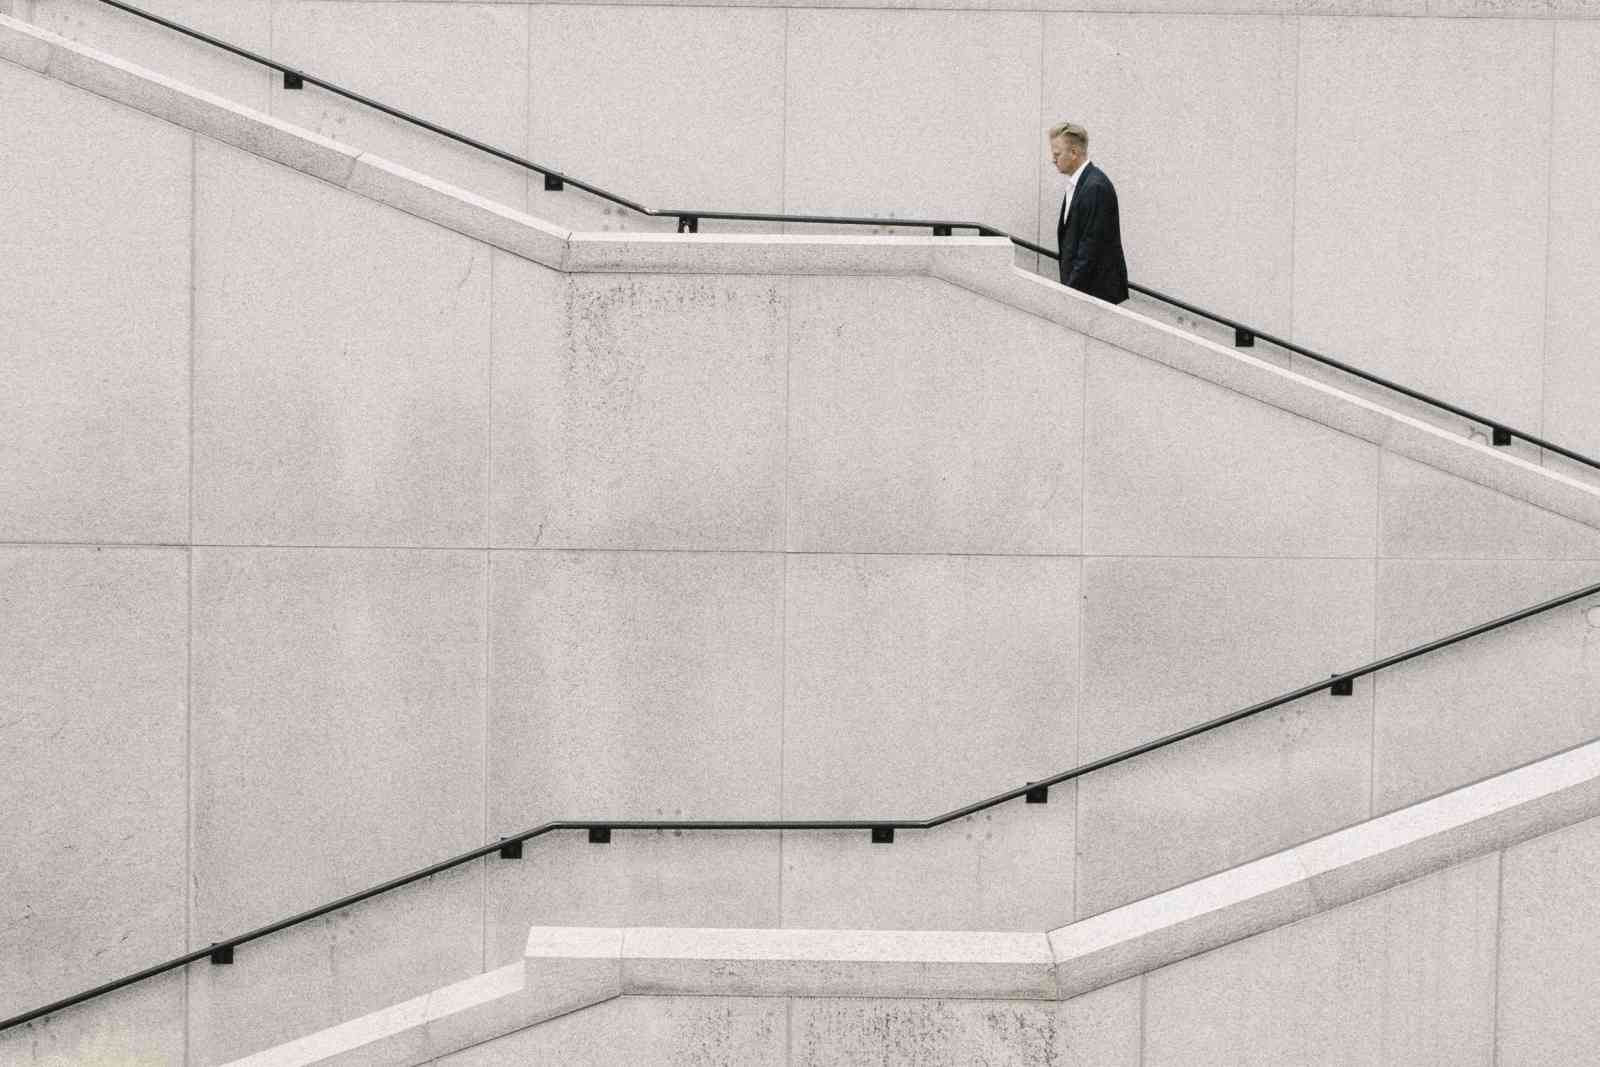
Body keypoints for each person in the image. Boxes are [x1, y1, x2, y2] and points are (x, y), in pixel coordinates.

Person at [1049, 122, 1129, 305]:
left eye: (1057, 154)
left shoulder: (1095, 187)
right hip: (1086, 292)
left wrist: (1069, 293)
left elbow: (1090, 248)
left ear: (1074, 153)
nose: (1053, 159)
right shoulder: (1081, 184)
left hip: (1094, 295)